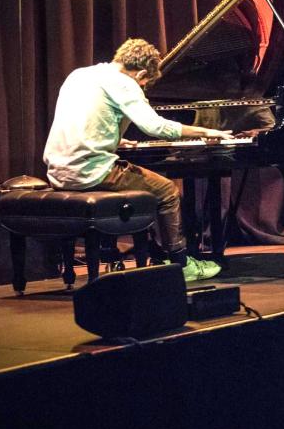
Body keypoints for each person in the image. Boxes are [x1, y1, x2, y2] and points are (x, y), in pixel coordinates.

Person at [43, 38, 232, 282]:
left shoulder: (80, 75)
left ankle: (157, 253)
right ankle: (179, 263)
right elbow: (156, 127)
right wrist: (206, 131)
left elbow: (82, 120)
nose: (142, 88)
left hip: (58, 171)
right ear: (142, 72)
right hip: (89, 171)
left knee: (151, 185)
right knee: (166, 189)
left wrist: (114, 139)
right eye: (144, 83)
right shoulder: (124, 83)